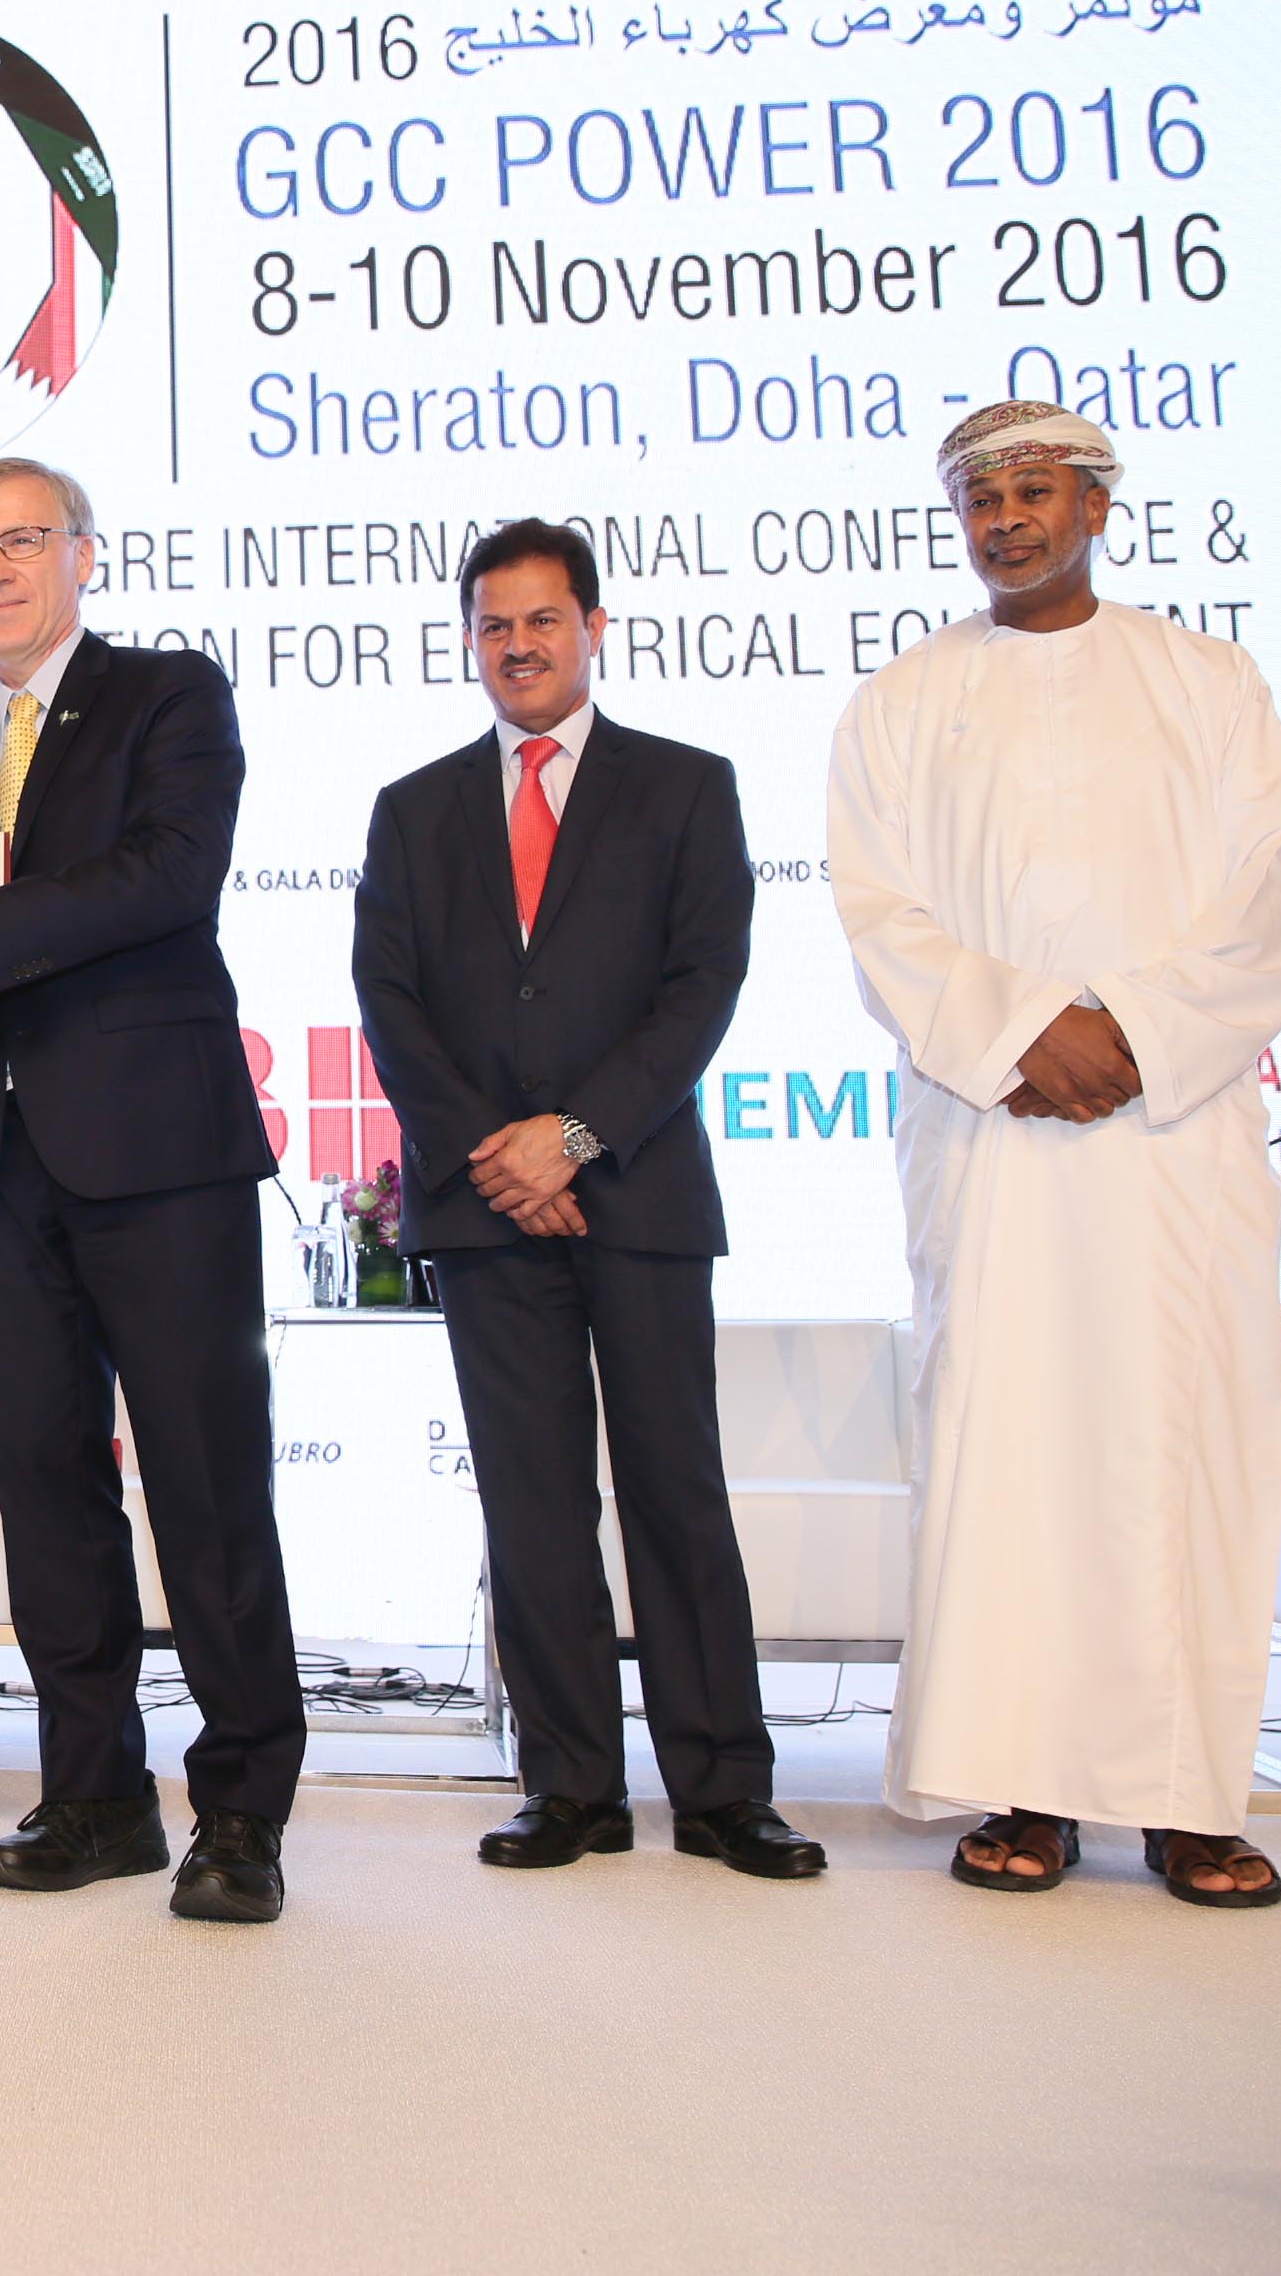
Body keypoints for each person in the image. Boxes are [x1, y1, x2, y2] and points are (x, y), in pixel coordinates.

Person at [828, 402, 1281, 1909]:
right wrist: (1026, 1034)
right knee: (1016, 1455)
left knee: (1180, 1453)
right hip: (996, 1134)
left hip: (1173, 1139)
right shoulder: (904, 701)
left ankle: (1190, 1798)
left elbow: (1267, 899)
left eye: (1033, 493)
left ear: (1096, 506)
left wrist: (1135, 1036)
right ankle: (1027, 1790)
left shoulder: (1208, 683)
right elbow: (882, 916)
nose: (1006, 523)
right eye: (981, 502)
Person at [0, 456, 304, 1924]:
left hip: (163, 1158)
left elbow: (171, 875)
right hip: (8, 1171)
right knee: (46, 1492)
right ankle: (95, 1794)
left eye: (22, 540)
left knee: (206, 1485)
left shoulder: (170, 695)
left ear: (84, 555)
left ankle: (242, 1812)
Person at [350, 520, 823, 1882]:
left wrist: (571, 1137)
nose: (518, 646)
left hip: (641, 1190)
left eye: (542, 620)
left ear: (594, 628)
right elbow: (390, 999)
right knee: (534, 1504)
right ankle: (569, 1786)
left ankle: (724, 1790)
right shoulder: (413, 808)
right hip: (484, 1209)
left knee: (677, 1491)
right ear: (469, 641)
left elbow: (703, 985)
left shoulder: (686, 786)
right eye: (494, 626)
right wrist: (493, 1155)